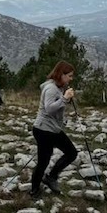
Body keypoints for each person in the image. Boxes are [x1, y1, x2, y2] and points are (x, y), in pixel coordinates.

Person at [30, 61, 78, 199]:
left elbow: (58, 106)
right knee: (43, 161)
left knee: (71, 153)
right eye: (69, 75)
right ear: (61, 74)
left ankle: (51, 177)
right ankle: (34, 190)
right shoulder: (51, 88)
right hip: (44, 130)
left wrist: (66, 99)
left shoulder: (58, 87)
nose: (70, 78)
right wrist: (65, 98)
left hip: (53, 129)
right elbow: (49, 108)